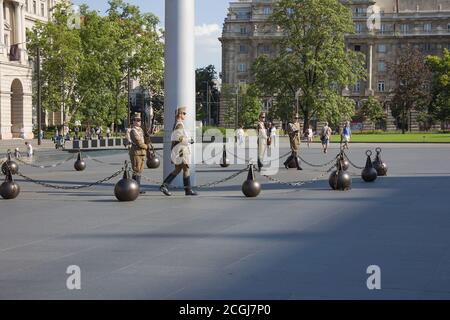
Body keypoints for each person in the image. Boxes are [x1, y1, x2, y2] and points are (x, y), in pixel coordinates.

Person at [160, 107, 197, 196]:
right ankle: (187, 190)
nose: (185, 115)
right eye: (184, 113)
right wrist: (189, 140)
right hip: (181, 150)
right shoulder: (179, 124)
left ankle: (164, 186)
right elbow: (179, 137)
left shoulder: (178, 124)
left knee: (178, 169)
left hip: (178, 150)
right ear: (179, 114)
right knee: (186, 169)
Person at [128, 113, 149, 194]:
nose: (139, 122)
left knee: (139, 171)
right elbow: (138, 142)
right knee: (136, 170)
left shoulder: (140, 130)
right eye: (137, 120)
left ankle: (134, 188)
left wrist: (147, 137)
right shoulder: (133, 131)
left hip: (142, 153)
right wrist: (147, 147)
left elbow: (145, 140)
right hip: (136, 152)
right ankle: (136, 188)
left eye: (140, 120)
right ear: (133, 121)